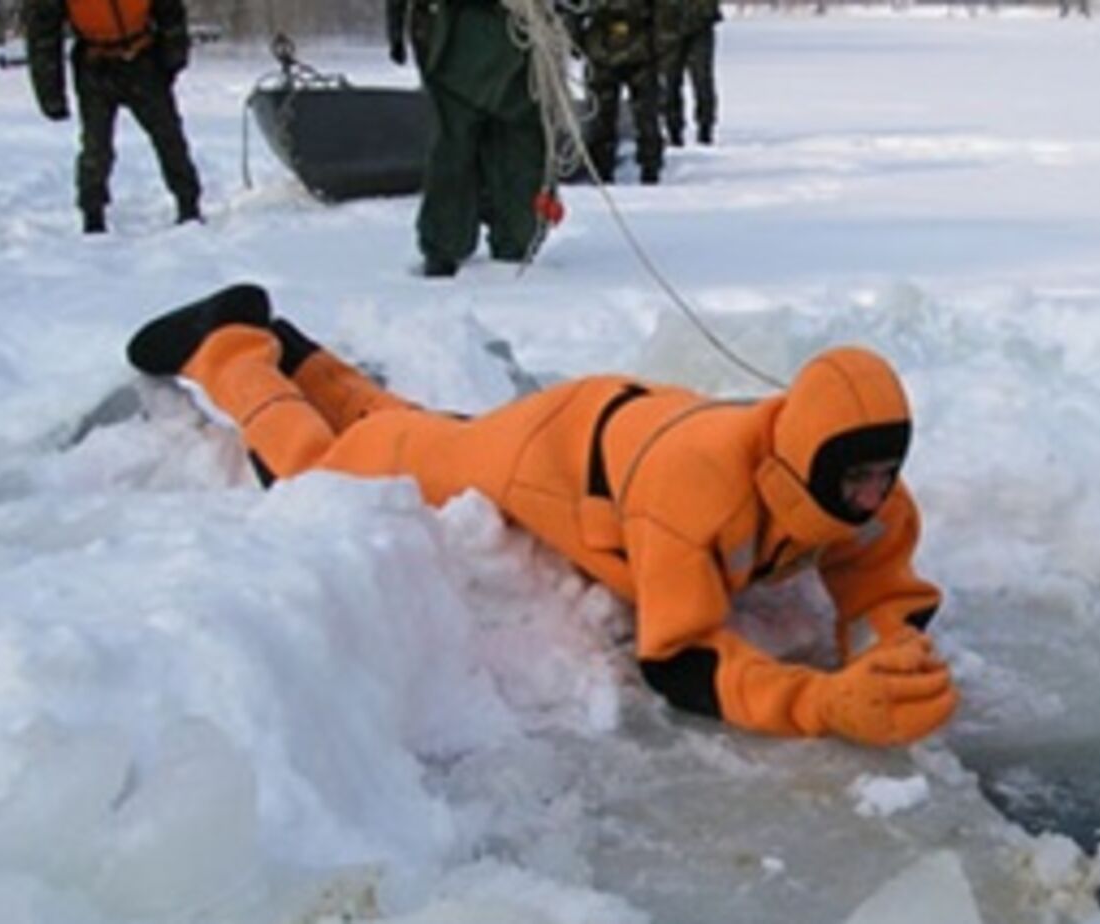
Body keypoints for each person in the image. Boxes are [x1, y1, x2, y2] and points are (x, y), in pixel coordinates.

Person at [124, 284, 959, 747]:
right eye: (857, 480)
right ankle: (229, 346)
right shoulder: (698, 496)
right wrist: (821, 703)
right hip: (558, 452)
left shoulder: (862, 483)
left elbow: (885, 583)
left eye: (885, 474)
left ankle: (300, 355)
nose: (873, 498)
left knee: (416, 429)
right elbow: (679, 658)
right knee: (327, 470)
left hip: (633, 424)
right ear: (801, 461)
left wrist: (897, 654)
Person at [387, 0, 550, 277]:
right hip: (465, 45)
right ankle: (470, 245)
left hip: (510, 51)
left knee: (491, 152)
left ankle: (488, 244)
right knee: (461, 150)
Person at [25, 0, 203, 234]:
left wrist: (174, 54)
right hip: (94, 64)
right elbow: (43, 32)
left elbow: (169, 8)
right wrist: (50, 92)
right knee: (96, 145)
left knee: (168, 135)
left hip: (143, 58)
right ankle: (93, 213)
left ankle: (188, 203)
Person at [569, 0, 667, 184]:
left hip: (639, 49)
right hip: (604, 50)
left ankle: (649, 168)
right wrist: (575, 40)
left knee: (645, 115)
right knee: (602, 115)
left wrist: (661, 43)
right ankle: (604, 169)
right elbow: (573, 9)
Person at [657, 0, 720, 147]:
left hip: (699, 24)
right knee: (670, 81)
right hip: (668, 26)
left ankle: (705, 129)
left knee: (702, 80)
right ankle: (673, 130)